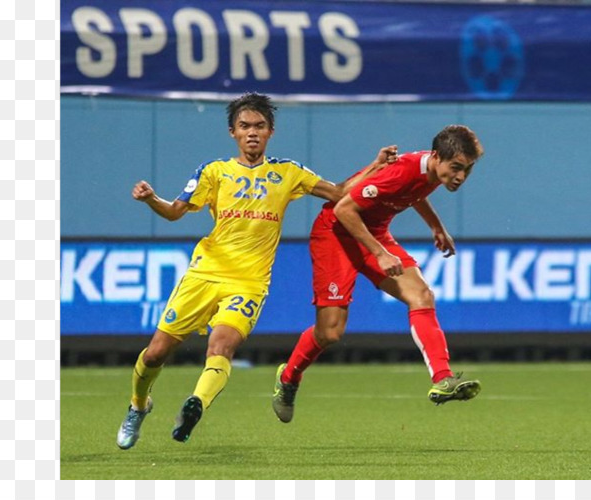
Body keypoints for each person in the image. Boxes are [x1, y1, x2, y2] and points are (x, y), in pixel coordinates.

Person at [116, 92, 397, 449]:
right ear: (232, 132)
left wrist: (375, 166)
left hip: (249, 283)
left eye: (259, 126)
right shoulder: (214, 172)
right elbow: (175, 211)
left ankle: (195, 405)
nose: (252, 133)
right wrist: (151, 199)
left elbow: (340, 192)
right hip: (204, 274)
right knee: (156, 353)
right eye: (245, 126)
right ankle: (138, 405)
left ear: (270, 132)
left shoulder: (288, 172)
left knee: (222, 346)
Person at [272, 125, 484, 423]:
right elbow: (344, 209)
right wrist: (381, 254)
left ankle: (443, 378)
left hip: (374, 233)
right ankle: (289, 377)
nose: (461, 177)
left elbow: (414, 193)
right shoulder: (402, 170)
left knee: (422, 295)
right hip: (336, 234)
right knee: (330, 331)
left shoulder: (434, 170)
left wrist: (435, 225)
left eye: (468, 169)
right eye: (457, 168)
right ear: (437, 157)